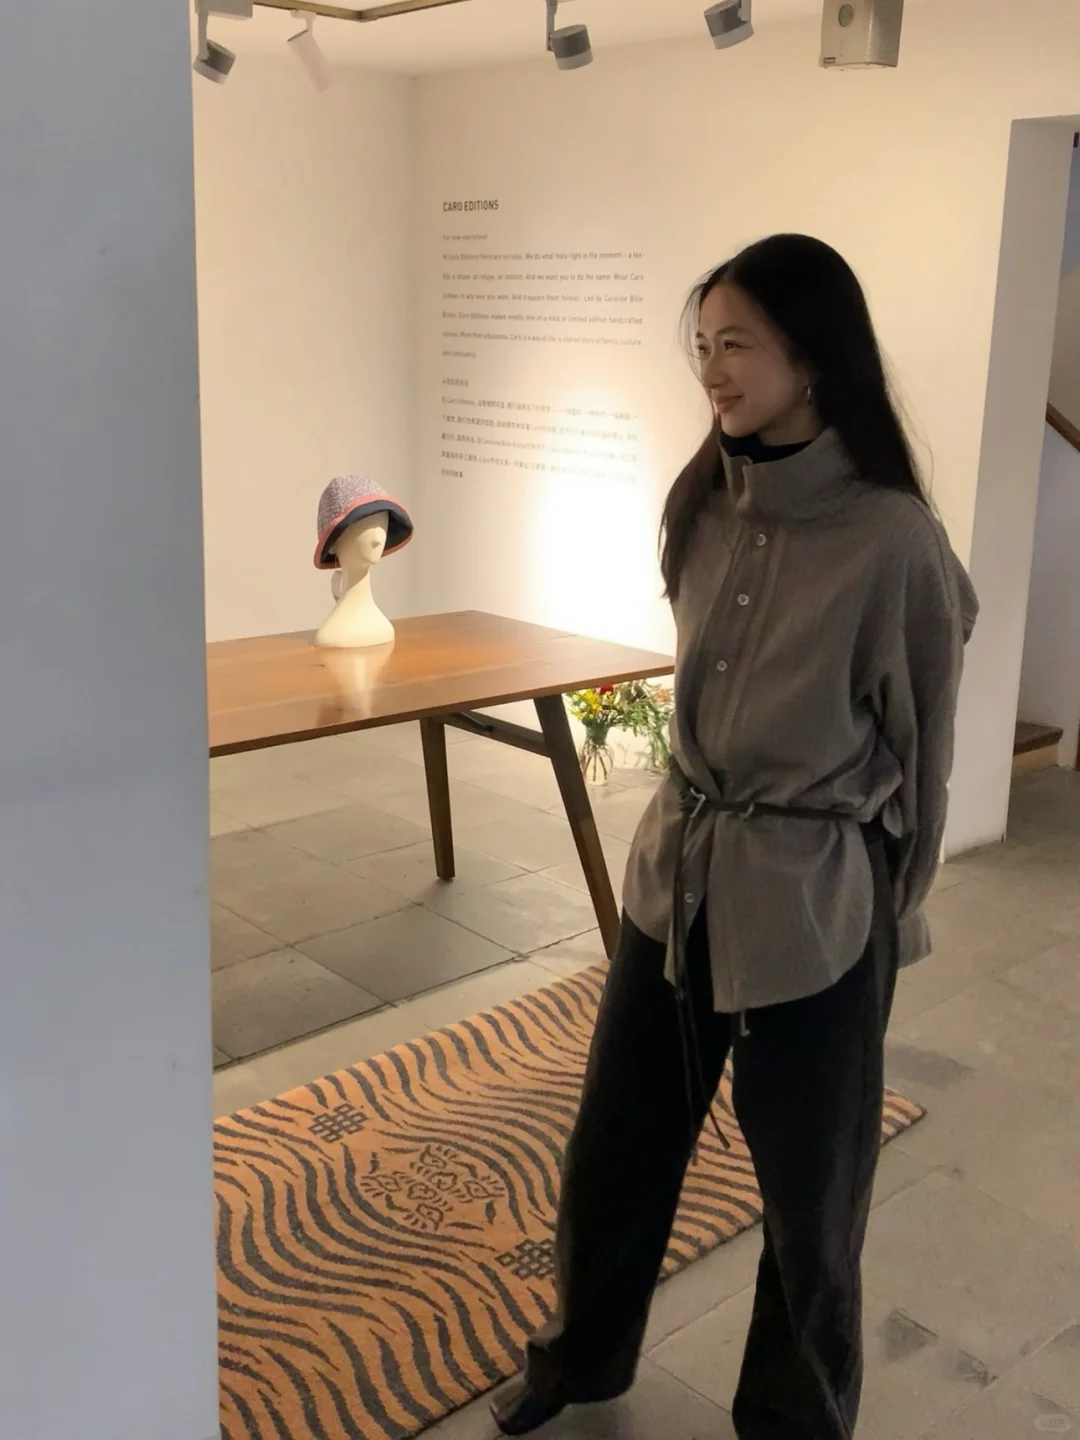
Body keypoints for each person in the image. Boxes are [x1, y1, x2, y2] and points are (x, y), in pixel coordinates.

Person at [491, 233, 978, 1439]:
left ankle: (795, 1421)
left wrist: (893, 910)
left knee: (813, 1199)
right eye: (702, 345)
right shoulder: (702, 500)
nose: (711, 368)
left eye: (737, 344)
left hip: (815, 908)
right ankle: (581, 1359)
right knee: (616, 1149)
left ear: (812, 358)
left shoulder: (896, 543)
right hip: (678, 879)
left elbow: (926, 753)